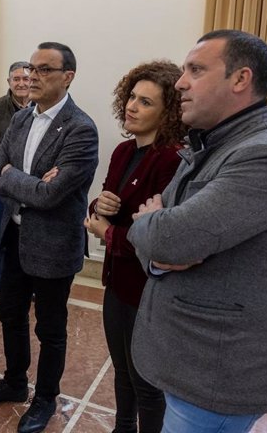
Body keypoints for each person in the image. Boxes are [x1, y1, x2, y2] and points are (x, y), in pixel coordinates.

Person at [128, 30, 267, 433]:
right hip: (192, 363)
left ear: (240, 80)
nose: (180, 83)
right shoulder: (213, 145)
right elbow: (160, 240)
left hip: (217, 371)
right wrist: (159, 244)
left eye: (196, 70)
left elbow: (164, 236)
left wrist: (155, 230)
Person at [0, 42, 99, 433]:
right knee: (9, 313)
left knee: (50, 327)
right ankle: (13, 381)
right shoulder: (22, 118)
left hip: (54, 246)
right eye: (31, 68)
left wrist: (13, 177)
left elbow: (51, 195)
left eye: (44, 70)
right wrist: (18, 179)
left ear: (68, 77)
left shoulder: (81, 128)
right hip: (14, 237)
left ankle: (45, 397)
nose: (33, 76)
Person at [84, 61, 187, 433]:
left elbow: (161, 238)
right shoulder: (125, 152)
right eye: (131, 97)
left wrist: (106, 231)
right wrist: (100, 205)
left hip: (149, 289)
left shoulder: (172, 158)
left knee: (146, 382)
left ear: (169, 111)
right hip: (118, 282)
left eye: (145, 102)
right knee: (123, 371)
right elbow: (107, 205)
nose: (131, 106)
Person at [0, 61, 32, 304]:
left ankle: (29, 282)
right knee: (1, 237)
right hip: (2, 189)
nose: (21, 83)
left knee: (30, 237)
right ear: (9, 82)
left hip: (34, 189)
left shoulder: (42, 109)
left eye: (26, 78)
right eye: (16, 79)